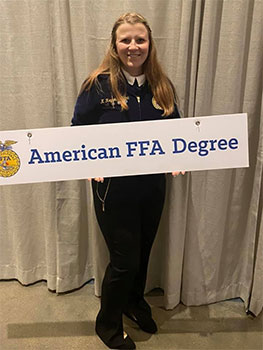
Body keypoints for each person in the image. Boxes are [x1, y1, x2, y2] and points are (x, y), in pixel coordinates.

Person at [72, 12, 184, 350]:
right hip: (112, 189)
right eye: (126, 40)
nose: (133, 47)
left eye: (140, 40)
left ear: (149, 45)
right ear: (115, 45)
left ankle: (134, 304)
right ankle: (107, 323)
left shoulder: (161, 85)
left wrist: (180, 158)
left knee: (144, 251)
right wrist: (88, 163)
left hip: (151, 187)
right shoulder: (98, 85)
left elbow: (175, 133)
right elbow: (78, 133)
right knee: (125, 260)